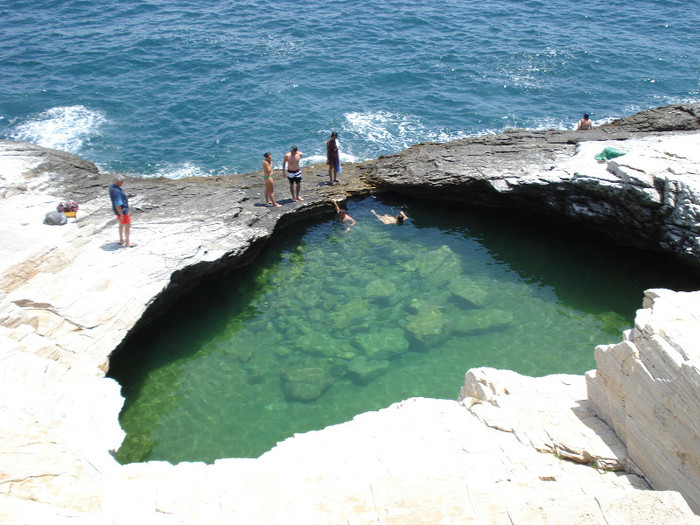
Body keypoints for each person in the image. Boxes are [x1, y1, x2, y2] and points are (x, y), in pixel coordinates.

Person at [109, 174, 134, 247]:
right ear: (117, 182)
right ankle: (127, 241)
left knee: (121, 223)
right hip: (122, 211)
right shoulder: (117, 191)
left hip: (116, 211)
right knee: (127, 225)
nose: (122, 183)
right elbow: (118, 204)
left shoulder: (112, 186)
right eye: (121, 182)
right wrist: (122, 214)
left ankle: (121, 239)